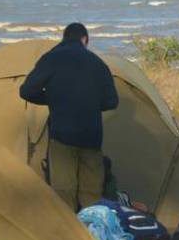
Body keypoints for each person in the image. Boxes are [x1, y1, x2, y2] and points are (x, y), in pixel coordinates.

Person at [20, 22, 119, 211]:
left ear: (64, 38)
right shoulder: (97, 63)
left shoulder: (51, 59)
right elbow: (112, 101)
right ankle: (93, 236)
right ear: (85, 39)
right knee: (92, 195)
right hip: (92, 138)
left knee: (64, 192)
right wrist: (89, 103)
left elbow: (26, 91)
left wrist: (53, 100)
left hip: (62, 137)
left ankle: (70, 236)